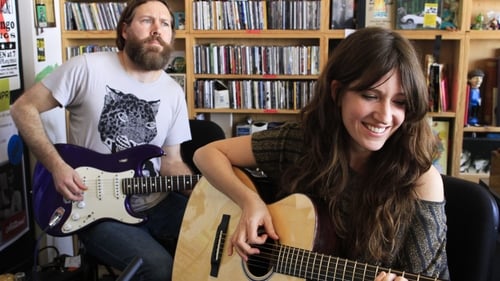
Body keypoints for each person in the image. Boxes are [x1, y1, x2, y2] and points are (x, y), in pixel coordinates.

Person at [193, 27, 449, 280]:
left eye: (400, 102)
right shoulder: (303, 141)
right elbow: (207, 154)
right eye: (371, 95)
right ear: (337, 93)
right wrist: (250, 202)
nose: (384, 116)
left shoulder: (420, 180)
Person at [10, 0, 192, 280]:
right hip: (95, 209)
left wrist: (203, 188)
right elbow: (22, 108)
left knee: (215, 238)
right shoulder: (87, 68)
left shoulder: (172, 91)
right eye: (147, 21)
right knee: (159, 268)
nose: (157, 29)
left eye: (165, 23)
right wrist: (57, 167)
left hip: (158, 203)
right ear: (125, 30)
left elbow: (171, 161)